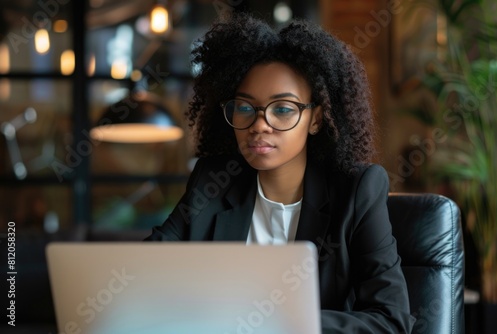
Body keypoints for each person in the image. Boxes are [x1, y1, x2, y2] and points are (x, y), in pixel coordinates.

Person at [145, 12, 415, 333]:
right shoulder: (213, 181)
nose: (259, 125)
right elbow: (148, 269)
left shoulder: (356, 191)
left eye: (283, 109)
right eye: (245, 107)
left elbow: (391, 320)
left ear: (316, 119)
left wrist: (277, 323)